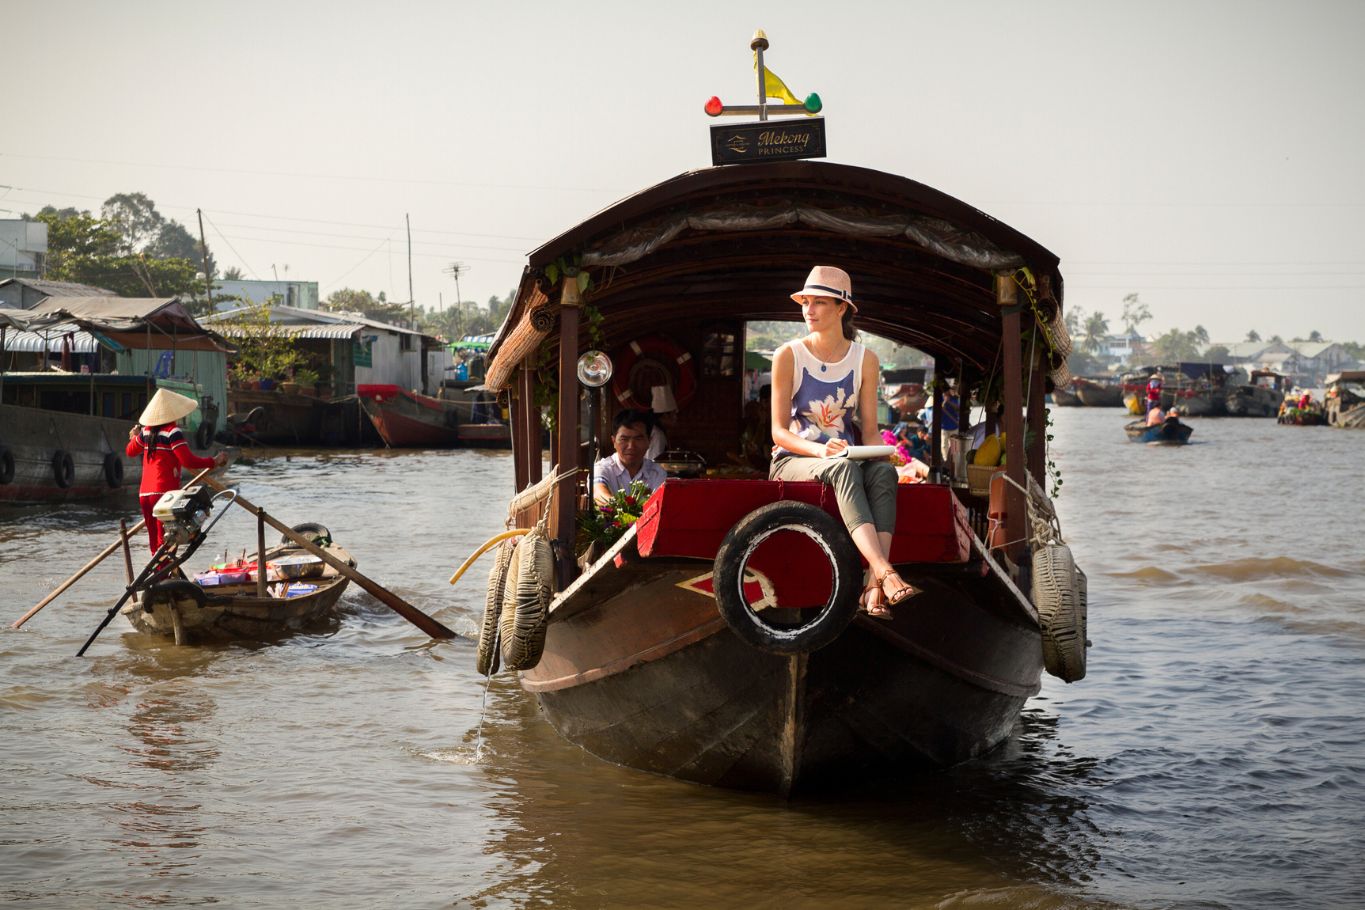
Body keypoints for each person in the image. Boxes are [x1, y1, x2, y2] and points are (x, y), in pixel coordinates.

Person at [769, 265, 916, 621]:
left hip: (845, 458)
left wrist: (887, 454)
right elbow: (778, 432)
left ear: (842, 309)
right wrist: (822, 450)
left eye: (820, 302)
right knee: (844, 467)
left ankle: (872, 587)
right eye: (806, 302)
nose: (809, 310)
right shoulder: (788, 355)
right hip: (795, 458)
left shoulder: (865, 360)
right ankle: (881, 572)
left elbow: (868, 430)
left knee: (883, 475)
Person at [126, 388, 228, 552]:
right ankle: (164, 575)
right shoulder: (172, 432)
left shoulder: (146, 432)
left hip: (145, 494)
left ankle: (161, 576)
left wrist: (134, 436)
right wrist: (214, 461)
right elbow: (188, 461)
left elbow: (130, 451)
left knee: (156, 544)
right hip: (164, 494)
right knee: (166, 543)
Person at [593, 409, 667, 506]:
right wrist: (623, 510)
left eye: (638, 439)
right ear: (614, 441)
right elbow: (598, 494)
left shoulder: (658, 473)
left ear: (649, 441)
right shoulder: (602, 468)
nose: (631, 446)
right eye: (624, 439)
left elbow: (661, 505)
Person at [645, 385, 677, 460]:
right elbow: (654, 461)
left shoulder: (654, 430)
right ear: (665, 415)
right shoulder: (658, 434)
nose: (676, 417)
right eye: (674, 414)